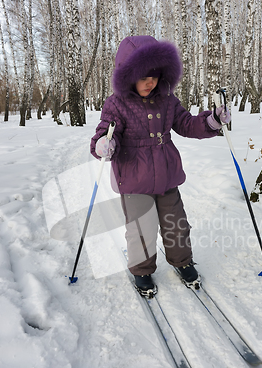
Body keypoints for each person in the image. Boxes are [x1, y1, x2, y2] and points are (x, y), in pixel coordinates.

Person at [90, 35, 230, 297]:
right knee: (141, 229)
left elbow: (187, 124)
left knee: (176, 223)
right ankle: (142, 270)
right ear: (128, 74)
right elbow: (107, 132)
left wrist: (211, 121)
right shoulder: (116, 103)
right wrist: (103, 145)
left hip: (167, 176)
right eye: (143, 76)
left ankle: (183, 262)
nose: (149, 81)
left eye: (154, 75)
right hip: (133, 178)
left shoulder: (167, 99)